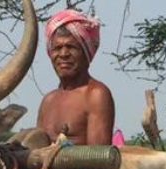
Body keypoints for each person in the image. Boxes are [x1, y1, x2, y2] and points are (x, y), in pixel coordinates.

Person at [37, 9, 116, 146]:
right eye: (57, 48)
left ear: (86, 52)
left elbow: (97, 159)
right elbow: (36, 151)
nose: (63, 54)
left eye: (71, 47)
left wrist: (56, 156)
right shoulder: (48, 101)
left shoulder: (96, 95)